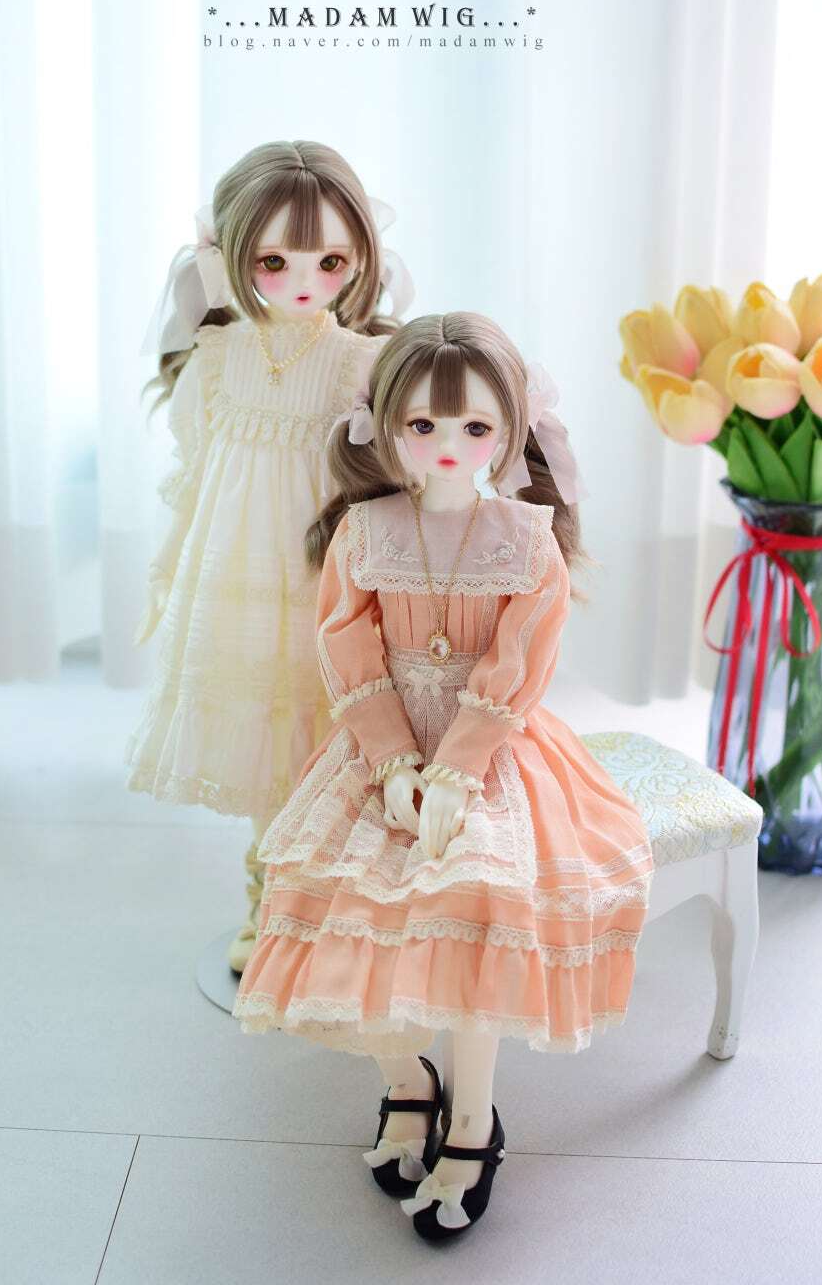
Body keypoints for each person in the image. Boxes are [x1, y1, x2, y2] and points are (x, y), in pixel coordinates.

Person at [233, 312, 655, 1240]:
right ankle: (407, 1080)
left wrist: (457, 772)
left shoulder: (526, 540)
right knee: (345, 904)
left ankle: (473, 1123)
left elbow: (519, 662)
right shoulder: (364, 531)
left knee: (475, 898)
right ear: (385, 426)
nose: (448, 444)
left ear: (510, 431)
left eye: (475, 425)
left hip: (492, 753)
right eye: (422, 424)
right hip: (378, 749)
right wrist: (392, 762)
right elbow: (347, 646)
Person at [126, 139, 413, 972]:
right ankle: (269, 900)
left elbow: (386, 481)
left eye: (330, 261)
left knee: (330, 735)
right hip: (239, 576)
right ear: (232, 257)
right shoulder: (220, 359)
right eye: (274, 260)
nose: (303, 280)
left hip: (324, 576)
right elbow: (196, 479)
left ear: (359, 260)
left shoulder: (361, 363)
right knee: (265, 738)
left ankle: (324, 898)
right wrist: (171, 570)